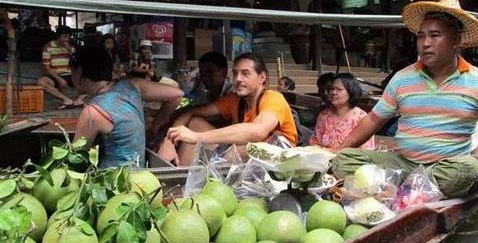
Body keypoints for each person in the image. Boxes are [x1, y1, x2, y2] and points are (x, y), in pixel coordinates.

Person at [333, 0, 478, 198]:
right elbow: (374, 120)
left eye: (435, 35)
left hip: (445, 169)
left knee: (470, 170)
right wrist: (337, 151)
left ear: (455, 40)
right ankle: (410, 191)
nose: (425, 43)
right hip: (403, 164)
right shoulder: (402, 79)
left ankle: (398, 190)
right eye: (421, 36)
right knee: (344, 160)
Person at [158, 53, 298, 165]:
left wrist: (196, 137)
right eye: (235, 73)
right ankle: (181, 184)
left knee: (235, 152)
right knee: (195, 122)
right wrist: (168, 141)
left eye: (245, 73)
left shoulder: (273, 98)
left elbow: (258, 131)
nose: (238, 79)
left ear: (262, 77)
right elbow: (190, 112)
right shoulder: (235, 99)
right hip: (244, 152)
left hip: (280, 163)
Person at [73, 47, 183, 168]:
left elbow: (75, 159)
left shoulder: (92, 112)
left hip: (111, 182)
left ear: (79, 72)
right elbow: (177, 95)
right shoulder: (132, 85)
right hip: (139, 176)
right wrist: (157, 123)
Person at [309, 73, 375, 150]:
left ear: (351, 92)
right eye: (332, 89)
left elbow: (365, 150)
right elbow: (314, 143)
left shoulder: (361, 118)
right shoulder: (324, 115)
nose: (333, 92)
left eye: (339, 89)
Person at [37, 25, 86, 109]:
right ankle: (67, 100)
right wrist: (59, 79)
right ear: (58, 36)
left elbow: (76, 64)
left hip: (71, 74)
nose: (67, 38)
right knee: (41, 82)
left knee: (93, 79)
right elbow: (47, 67)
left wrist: (70, 51)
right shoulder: (48, 46)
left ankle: (79, 100)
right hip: (56, 74)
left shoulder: (72, 47)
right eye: (64, 36)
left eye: (68, 36)